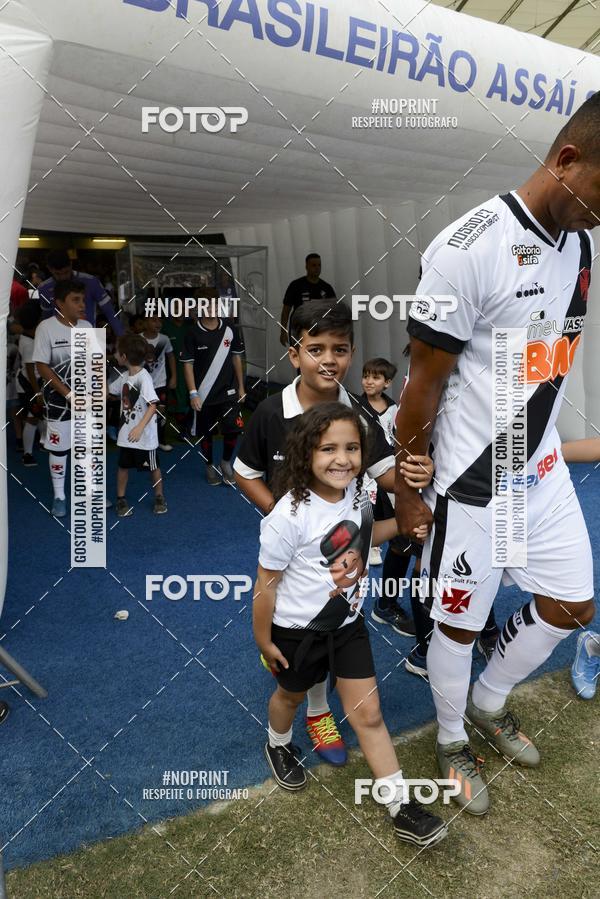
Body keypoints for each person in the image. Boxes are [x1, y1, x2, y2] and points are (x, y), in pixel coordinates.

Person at [394, 92, 600, 817]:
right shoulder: (466, 248)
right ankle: (451, 737)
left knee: (573, 602)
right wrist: (408, 492)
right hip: (470, 484)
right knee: (456, 621)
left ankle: (488, 698)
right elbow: (421, 387)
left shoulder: (582, 242)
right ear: (567, 159)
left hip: (537, 471)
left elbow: (545, 366)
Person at [234, 299, 431, 766]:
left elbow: (387, 474)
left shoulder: (359, 413)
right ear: (294, 353)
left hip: (348, 555)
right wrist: (285, 515)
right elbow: (244, 472)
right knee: (299, 630)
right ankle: (312, 708)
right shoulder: (268, 412)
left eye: (339, 349)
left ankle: (319, 710)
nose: (329, 359)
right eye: (315, 347)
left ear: (351, 352)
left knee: (335, 622)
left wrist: (416, 478)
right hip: (292, 554)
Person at [254, 402, 447, 848]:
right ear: (306, 455)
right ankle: (278, 742)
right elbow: (265, 584)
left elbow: (364, 534)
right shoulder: (287, 516)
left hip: (349, 625)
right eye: (328, 449)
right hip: (296, 632)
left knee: (370, 715)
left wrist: (402, 523)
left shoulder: (361, 490)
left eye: (352, 448)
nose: (342, 459)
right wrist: (264, 640)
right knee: (289, 696)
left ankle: (401, 807)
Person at [359, 357, 415, 635]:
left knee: (403, 541)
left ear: (388, 382)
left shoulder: (395, 409)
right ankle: (383, 603)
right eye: (366, 376)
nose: (369, 381)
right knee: (395, 537)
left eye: (376, 377)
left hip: (392, 476)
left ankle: (386, 602)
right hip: (374, 481)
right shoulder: (354, 408)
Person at [32, 279, 91, 517]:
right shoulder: (46, 327)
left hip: (88, 401)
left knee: (87, 447)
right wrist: (68, 394)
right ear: (59, 303)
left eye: (83, 300)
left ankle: (88, 492)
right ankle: (59, 496)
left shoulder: (87, 326)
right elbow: (42, 365)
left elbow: (95, 363)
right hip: (58, 402)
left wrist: (101, 389)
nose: (82, 305)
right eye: (75, 300)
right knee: (59, 448)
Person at [182, 293, 245, 485]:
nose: (211, 308)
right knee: (206, 433)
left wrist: (241, 387)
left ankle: (226, 463)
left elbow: (236, 357)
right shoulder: (192, 333)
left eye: (215, 304)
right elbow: (187, 365)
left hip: (229, 392)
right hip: (204, 394)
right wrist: (193, 393)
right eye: (206, 305)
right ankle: (209, 465)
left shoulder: (229, 328)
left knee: (233, 429)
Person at [108, 332, 167, 517]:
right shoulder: (125, 376)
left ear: (124, 357)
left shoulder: (144, 377)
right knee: (123, 467)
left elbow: (153, 405)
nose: (115, 354)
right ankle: (121, 499)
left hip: (144, 437)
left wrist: (140, 427)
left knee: (153, 467)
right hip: (126, 436)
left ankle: (159, 497)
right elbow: (109, 392)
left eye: (117, 352)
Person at [38, 249, 124, 336]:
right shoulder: (44, 289)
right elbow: (46, 318)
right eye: (58, 274)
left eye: (66, 272)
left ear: (71, 264)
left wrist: (121, 338)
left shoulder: (91, 282)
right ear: (49, 269)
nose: (63, 277)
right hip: (58, 339)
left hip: (87, 337)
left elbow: (110, 312)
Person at [278, 253, 336, 347]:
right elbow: (286, 310)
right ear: (306, 266)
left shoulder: (326, 288)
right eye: (313, 265)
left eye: (319, 265)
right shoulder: (296, 285)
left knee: (317, 357)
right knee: (299, 357)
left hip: (320, 330)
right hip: (299, 329)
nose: (317, 268)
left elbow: (333, 312)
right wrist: (283, 331)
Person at [140, 313, 176, 452]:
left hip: (160, 384)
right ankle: (143, 441)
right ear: (145, 322)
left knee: (160, 413)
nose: (158, 323)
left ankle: (160, 441)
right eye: (153, 320)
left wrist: (173, 377)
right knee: (143, 413)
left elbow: (171, 356)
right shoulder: (138, 339)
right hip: (142, 384)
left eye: (160, 320)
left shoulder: (164, 339)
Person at [15, 300, 43, 467]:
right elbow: (31, 371)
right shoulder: (29, 343)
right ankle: (27, 454)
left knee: (39, 417)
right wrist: (37, 392)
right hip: (29, 385)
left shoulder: (28, 337)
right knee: (33, 418)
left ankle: (43, 443)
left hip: (34, 383)